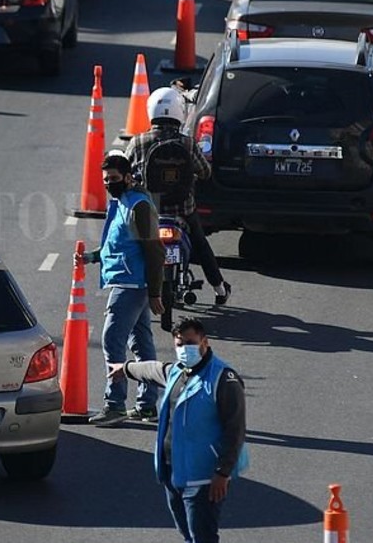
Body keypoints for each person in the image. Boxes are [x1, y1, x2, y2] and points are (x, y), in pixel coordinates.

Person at [109, 318, 249, 543]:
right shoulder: (177, 371)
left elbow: (235, 430)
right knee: (187, 533)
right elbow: (154, 369)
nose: (185, 349)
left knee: (202, 536)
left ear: (204, 342)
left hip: (203, 476)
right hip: (173, 470)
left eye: (190, 343)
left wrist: (223, 472)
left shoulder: (223, 379)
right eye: (180, 344)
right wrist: (125, 368)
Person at [78, 152, 166, 426]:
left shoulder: (138, 206)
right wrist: (92, 257)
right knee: (141, 344)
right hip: (128, 281)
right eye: (106, 179)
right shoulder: (121, 202)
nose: (108, 184)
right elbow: (116, 245)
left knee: (112, 340)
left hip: (131, 285)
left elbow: (155, 252)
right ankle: (147, 406)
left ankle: (114, 404)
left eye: (114, 178)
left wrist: (155, 292)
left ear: (128, 177)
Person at [125, 86, 232, 307]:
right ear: (180, 112)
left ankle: (127, 289)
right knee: (201, 244)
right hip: (183, 209)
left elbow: (125, 172)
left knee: (132, 245)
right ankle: (219, 288)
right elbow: (205, 172)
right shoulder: (187, 143)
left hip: (150, 208)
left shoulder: (138, 142)